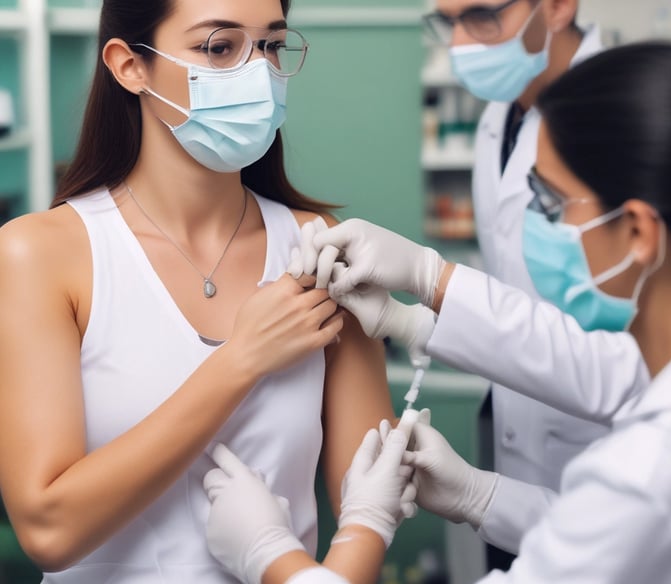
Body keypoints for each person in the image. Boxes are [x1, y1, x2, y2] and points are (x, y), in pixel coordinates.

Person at [203, 41, 671, 582]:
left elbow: (626, 525)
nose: (535, 227)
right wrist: (479, 493)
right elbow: (631, 534)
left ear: (640, 231)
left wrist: (275, 557)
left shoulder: (655, 468)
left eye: (549, 204)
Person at [0, 0, 396, 582]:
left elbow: (369, 498)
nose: (257, 72)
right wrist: (240, 362)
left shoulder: (317, 246)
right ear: (129, 65)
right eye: (219, 47)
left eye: (271, 46)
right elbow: (49, 531)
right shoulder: (41, 254)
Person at [424, 1, 640, 568]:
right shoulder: (501, 114)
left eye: (482, 15)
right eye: (448, 22)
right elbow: (516, 288)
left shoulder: (626, 112)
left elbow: (631, 350)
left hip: (601, 445)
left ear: (559, 6)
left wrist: (434, 287)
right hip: (518, 452)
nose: (462, 42)